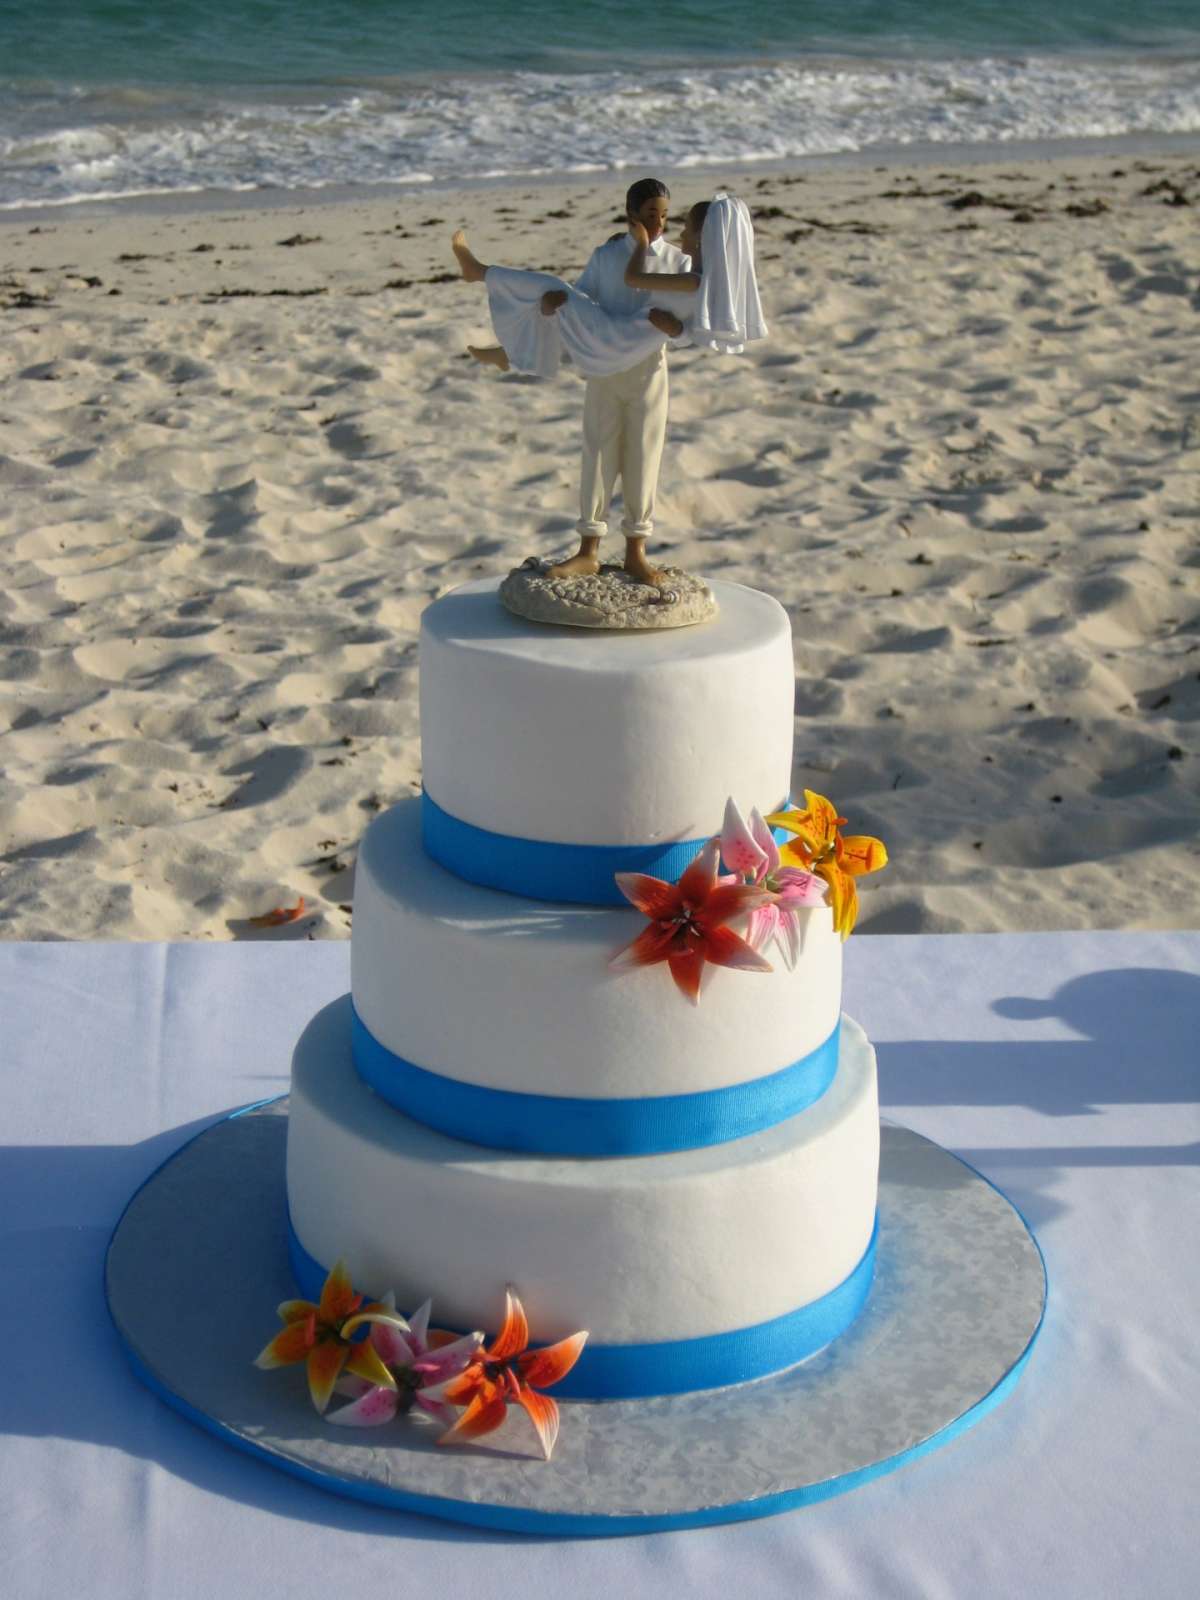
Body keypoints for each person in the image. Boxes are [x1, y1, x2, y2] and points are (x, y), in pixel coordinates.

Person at [450, 183, 766, 586]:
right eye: (651, 215)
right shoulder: (607, 255)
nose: (660, 224)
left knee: (643, 455)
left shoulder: (679, 263)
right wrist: (556, 305)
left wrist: (677, 331)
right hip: (606, 367)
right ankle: (588, 550)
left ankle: (637, 551)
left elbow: (693, 326)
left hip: (648, 371)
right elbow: (584, 296)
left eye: (665, 216)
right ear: (632, 215)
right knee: (597, 451)